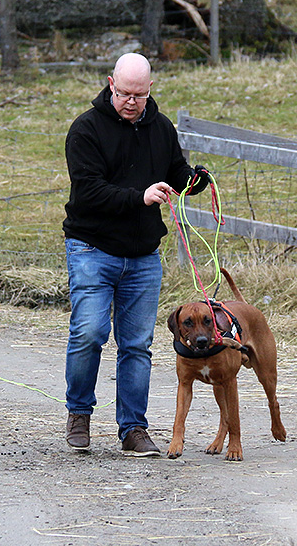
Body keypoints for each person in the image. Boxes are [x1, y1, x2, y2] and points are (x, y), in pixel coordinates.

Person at [62, 52, 211, 456]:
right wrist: (139, 197)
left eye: (139, 95)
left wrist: (193, 180)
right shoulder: (85, 130)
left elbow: (175, 171)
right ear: (111, 83)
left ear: (149, 91)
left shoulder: (160, 127)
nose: (131, 101)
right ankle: (79, 413)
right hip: (92, 248)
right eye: (125, 92)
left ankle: (133, 429)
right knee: (90, 332)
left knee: (136, 345)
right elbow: (89, 191)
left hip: (143, 255)